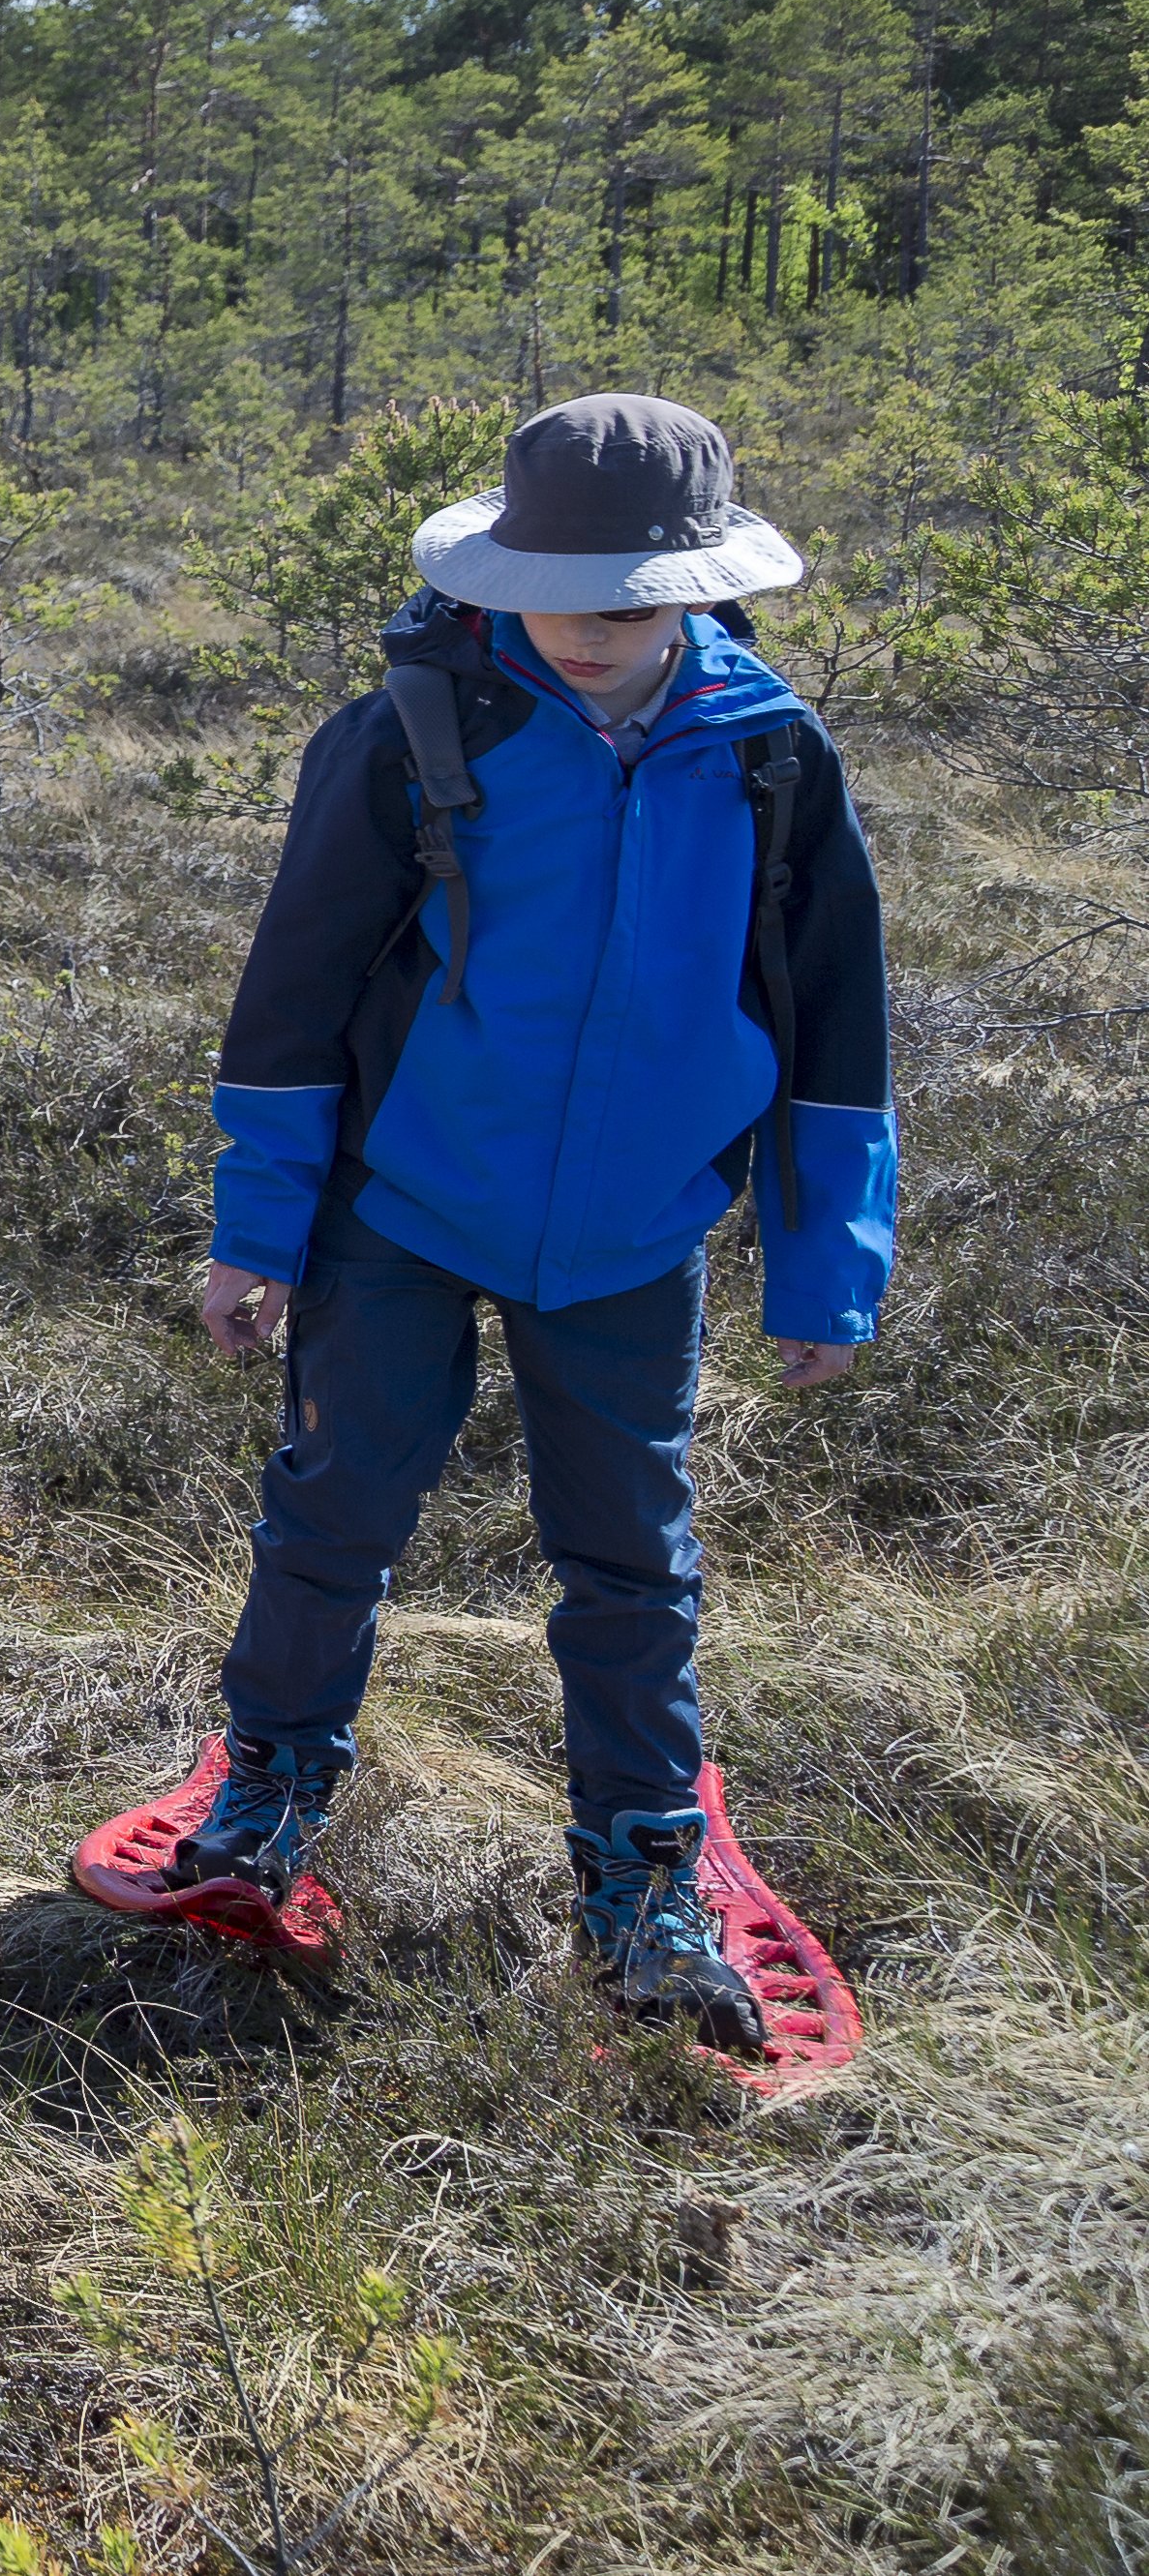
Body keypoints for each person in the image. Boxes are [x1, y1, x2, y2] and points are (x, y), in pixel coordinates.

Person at [182, 393, 892, 2052]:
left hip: (636, 1233)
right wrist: (256, 1231)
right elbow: (290, 1001)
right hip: (401, 1211)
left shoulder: (772, 757)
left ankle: (642, 1866)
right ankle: (270, 1782)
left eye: (631, 595)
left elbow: (833, 1023)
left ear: (699, 590)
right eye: (559, 587)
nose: (588, 623)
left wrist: (822, 1264)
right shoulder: (406, 732)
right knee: (335, 1510)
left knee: (630, 1560)